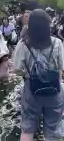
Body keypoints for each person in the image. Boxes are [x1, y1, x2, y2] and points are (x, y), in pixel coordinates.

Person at [13, 9, 64, 141]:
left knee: (27, 128)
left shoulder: (23, 43)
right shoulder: (57, 43)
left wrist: (28, 73)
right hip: (54, 88)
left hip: (31, 89)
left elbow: (17, 69)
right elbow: (62, 67)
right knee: (53, 130)